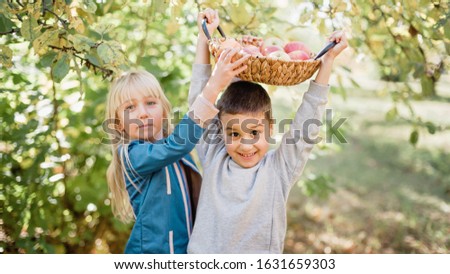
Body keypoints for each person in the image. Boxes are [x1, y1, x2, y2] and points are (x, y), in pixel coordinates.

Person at [187, 11, 348, 253]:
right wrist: (204, 38)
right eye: (233, 134)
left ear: (270, 129)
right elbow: (199, 99)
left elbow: (307, 123)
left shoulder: (279, 170)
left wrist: (327, 62)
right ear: (220, 131)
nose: (245, 144)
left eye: (254, 132)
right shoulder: (214, 156)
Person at [104, 9, 249, 254]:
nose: (142, 113)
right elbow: (179, 142)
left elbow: (196, 115)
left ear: (164, 109)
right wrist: (215, 83)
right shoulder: (131, 155)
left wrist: (205, 39)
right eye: (130, 107)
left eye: (151, 103)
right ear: (118, 124)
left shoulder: (174, 147)